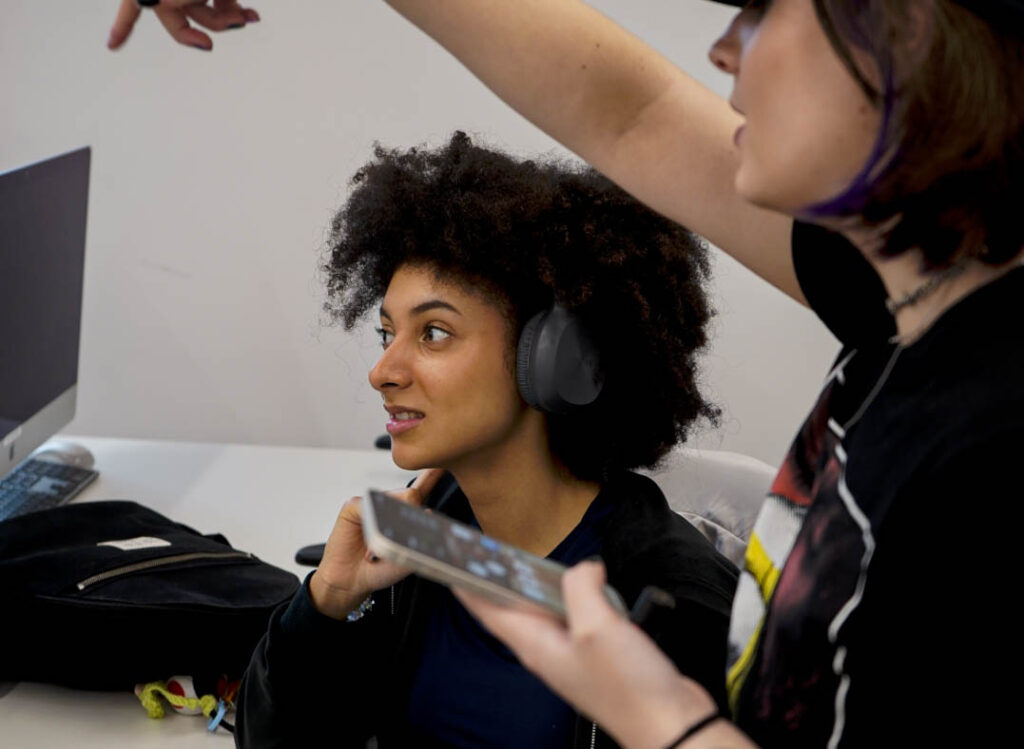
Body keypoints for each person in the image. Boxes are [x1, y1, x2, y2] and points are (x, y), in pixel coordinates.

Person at [108, 0, 1024, 746]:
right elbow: (633, 111)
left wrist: (658, 716)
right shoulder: (901, 305)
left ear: (909, 40)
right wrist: (323, 609)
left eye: (763, 10)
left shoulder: (991, 434)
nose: (722, 51)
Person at [233, 132, 738, 748]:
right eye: (387, 331)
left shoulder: (671, 608)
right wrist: (328, 602)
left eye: (435, 333)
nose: (382, 371)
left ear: (555, 363)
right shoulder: (422, 546)